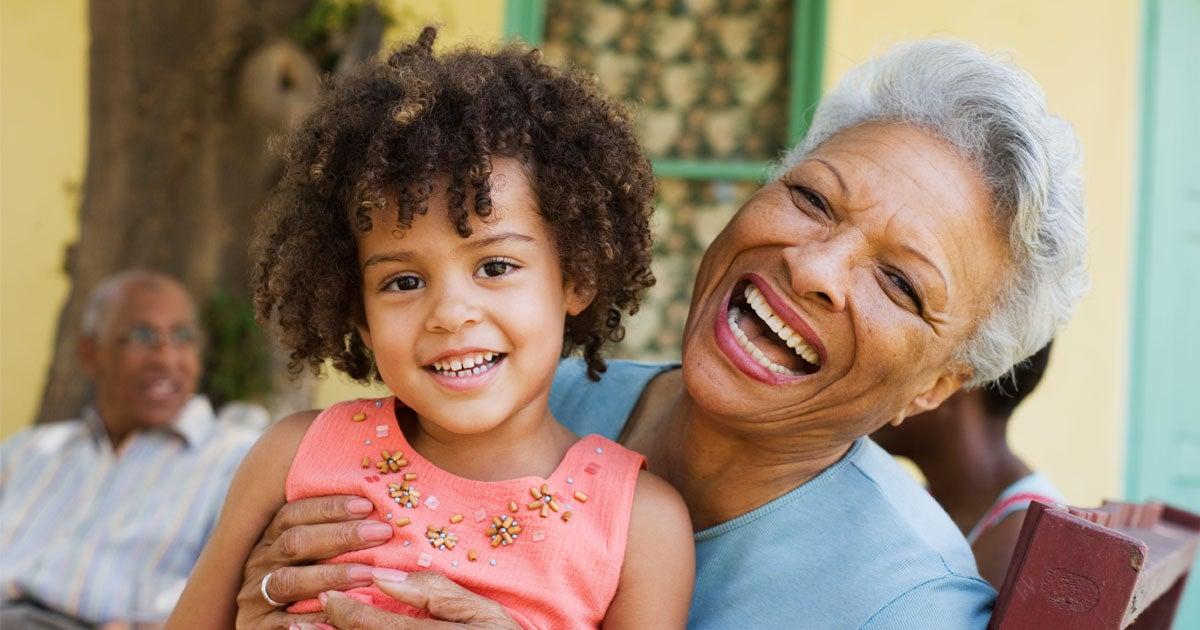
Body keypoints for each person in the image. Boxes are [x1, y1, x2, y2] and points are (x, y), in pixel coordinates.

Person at [230, 39, 1089, 629]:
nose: (819, 268)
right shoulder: (517, 397)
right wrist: (266, 591)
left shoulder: (900, 603)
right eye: (813, 199)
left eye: (901, 283)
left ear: (938, 385)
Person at [167, 28, 694, 630]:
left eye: (496, 267)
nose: (449, 312)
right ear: (359, 313)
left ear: (576, 277)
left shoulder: (640, 524)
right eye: (403, 282)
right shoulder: (292, 456)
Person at [0, 270, 260, 629]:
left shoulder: (237, 459)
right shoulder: (27, 452)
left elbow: (242, 596)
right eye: (142, 336)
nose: (166, 358)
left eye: (182, 337)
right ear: (90, 354)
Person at [872, 342, 1065, 588]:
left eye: (907, 363)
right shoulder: (928, 504)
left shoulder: (1023, 543)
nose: (874, 386)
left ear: (951, 384)